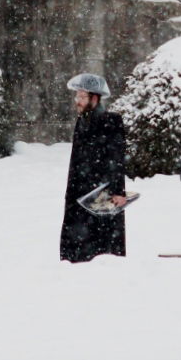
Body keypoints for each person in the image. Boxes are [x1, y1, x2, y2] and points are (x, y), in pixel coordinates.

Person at [59, 73, 128, 263]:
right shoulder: (81, 122)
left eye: (82, 97)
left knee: (102, 252)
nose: (77, 101)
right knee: (76, 251)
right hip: (79, 195)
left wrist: (117, 191)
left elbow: (116, 159)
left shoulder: (111, 121)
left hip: (101, 195)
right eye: (77, 97)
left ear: (94, 98)